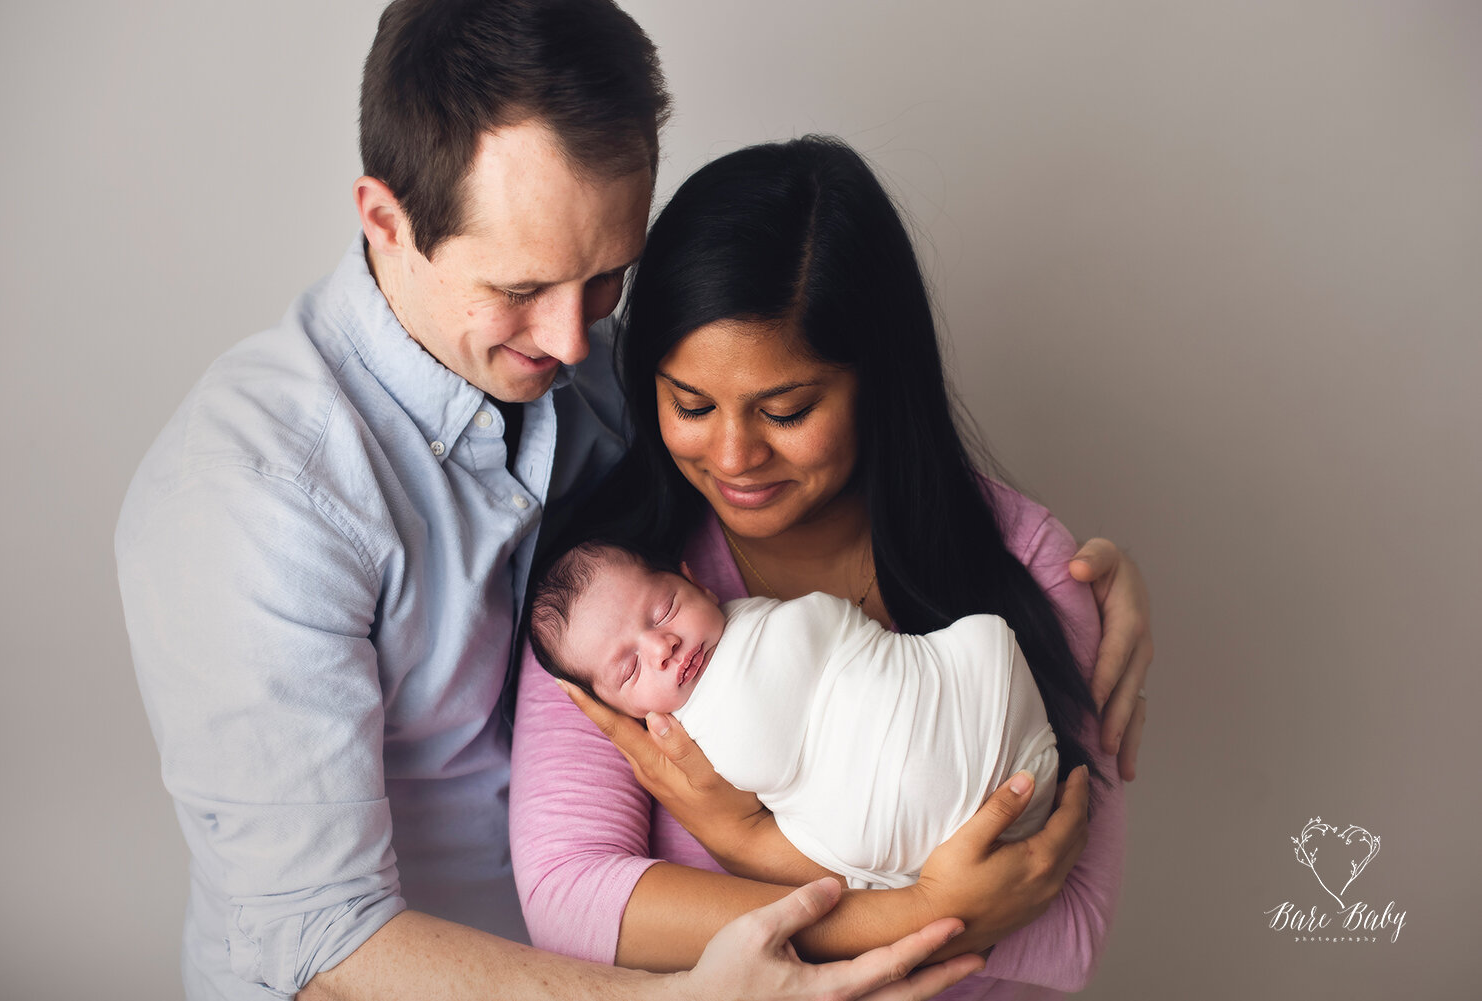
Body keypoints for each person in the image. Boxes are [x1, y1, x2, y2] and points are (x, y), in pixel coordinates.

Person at [115, 1, 1150, 998]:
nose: (572, 343)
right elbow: (316, 933)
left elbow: (847, 443)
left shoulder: (620, 384)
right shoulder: (253, 498)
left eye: (608, 277)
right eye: (521, 288)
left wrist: (1074, 578)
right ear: (386, 219)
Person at [509, 135, 1128, 995]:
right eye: (690, 403)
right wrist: (914, 913)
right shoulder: (615, 595)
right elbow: (570, 897)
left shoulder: (1026, 565)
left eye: (787, 409)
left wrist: (747, 852)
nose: (731, 455)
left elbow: (1070, 931)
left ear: (876, 380)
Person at [527, 539, 1061, 889]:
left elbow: (819, 631)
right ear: (622, 712)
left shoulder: (754, 620)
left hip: (986, 712)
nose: (662, 645)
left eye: (664, 609)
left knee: (983, 639)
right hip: (919, 846)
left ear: (695, 581)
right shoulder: (682, 741)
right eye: (629, 669)